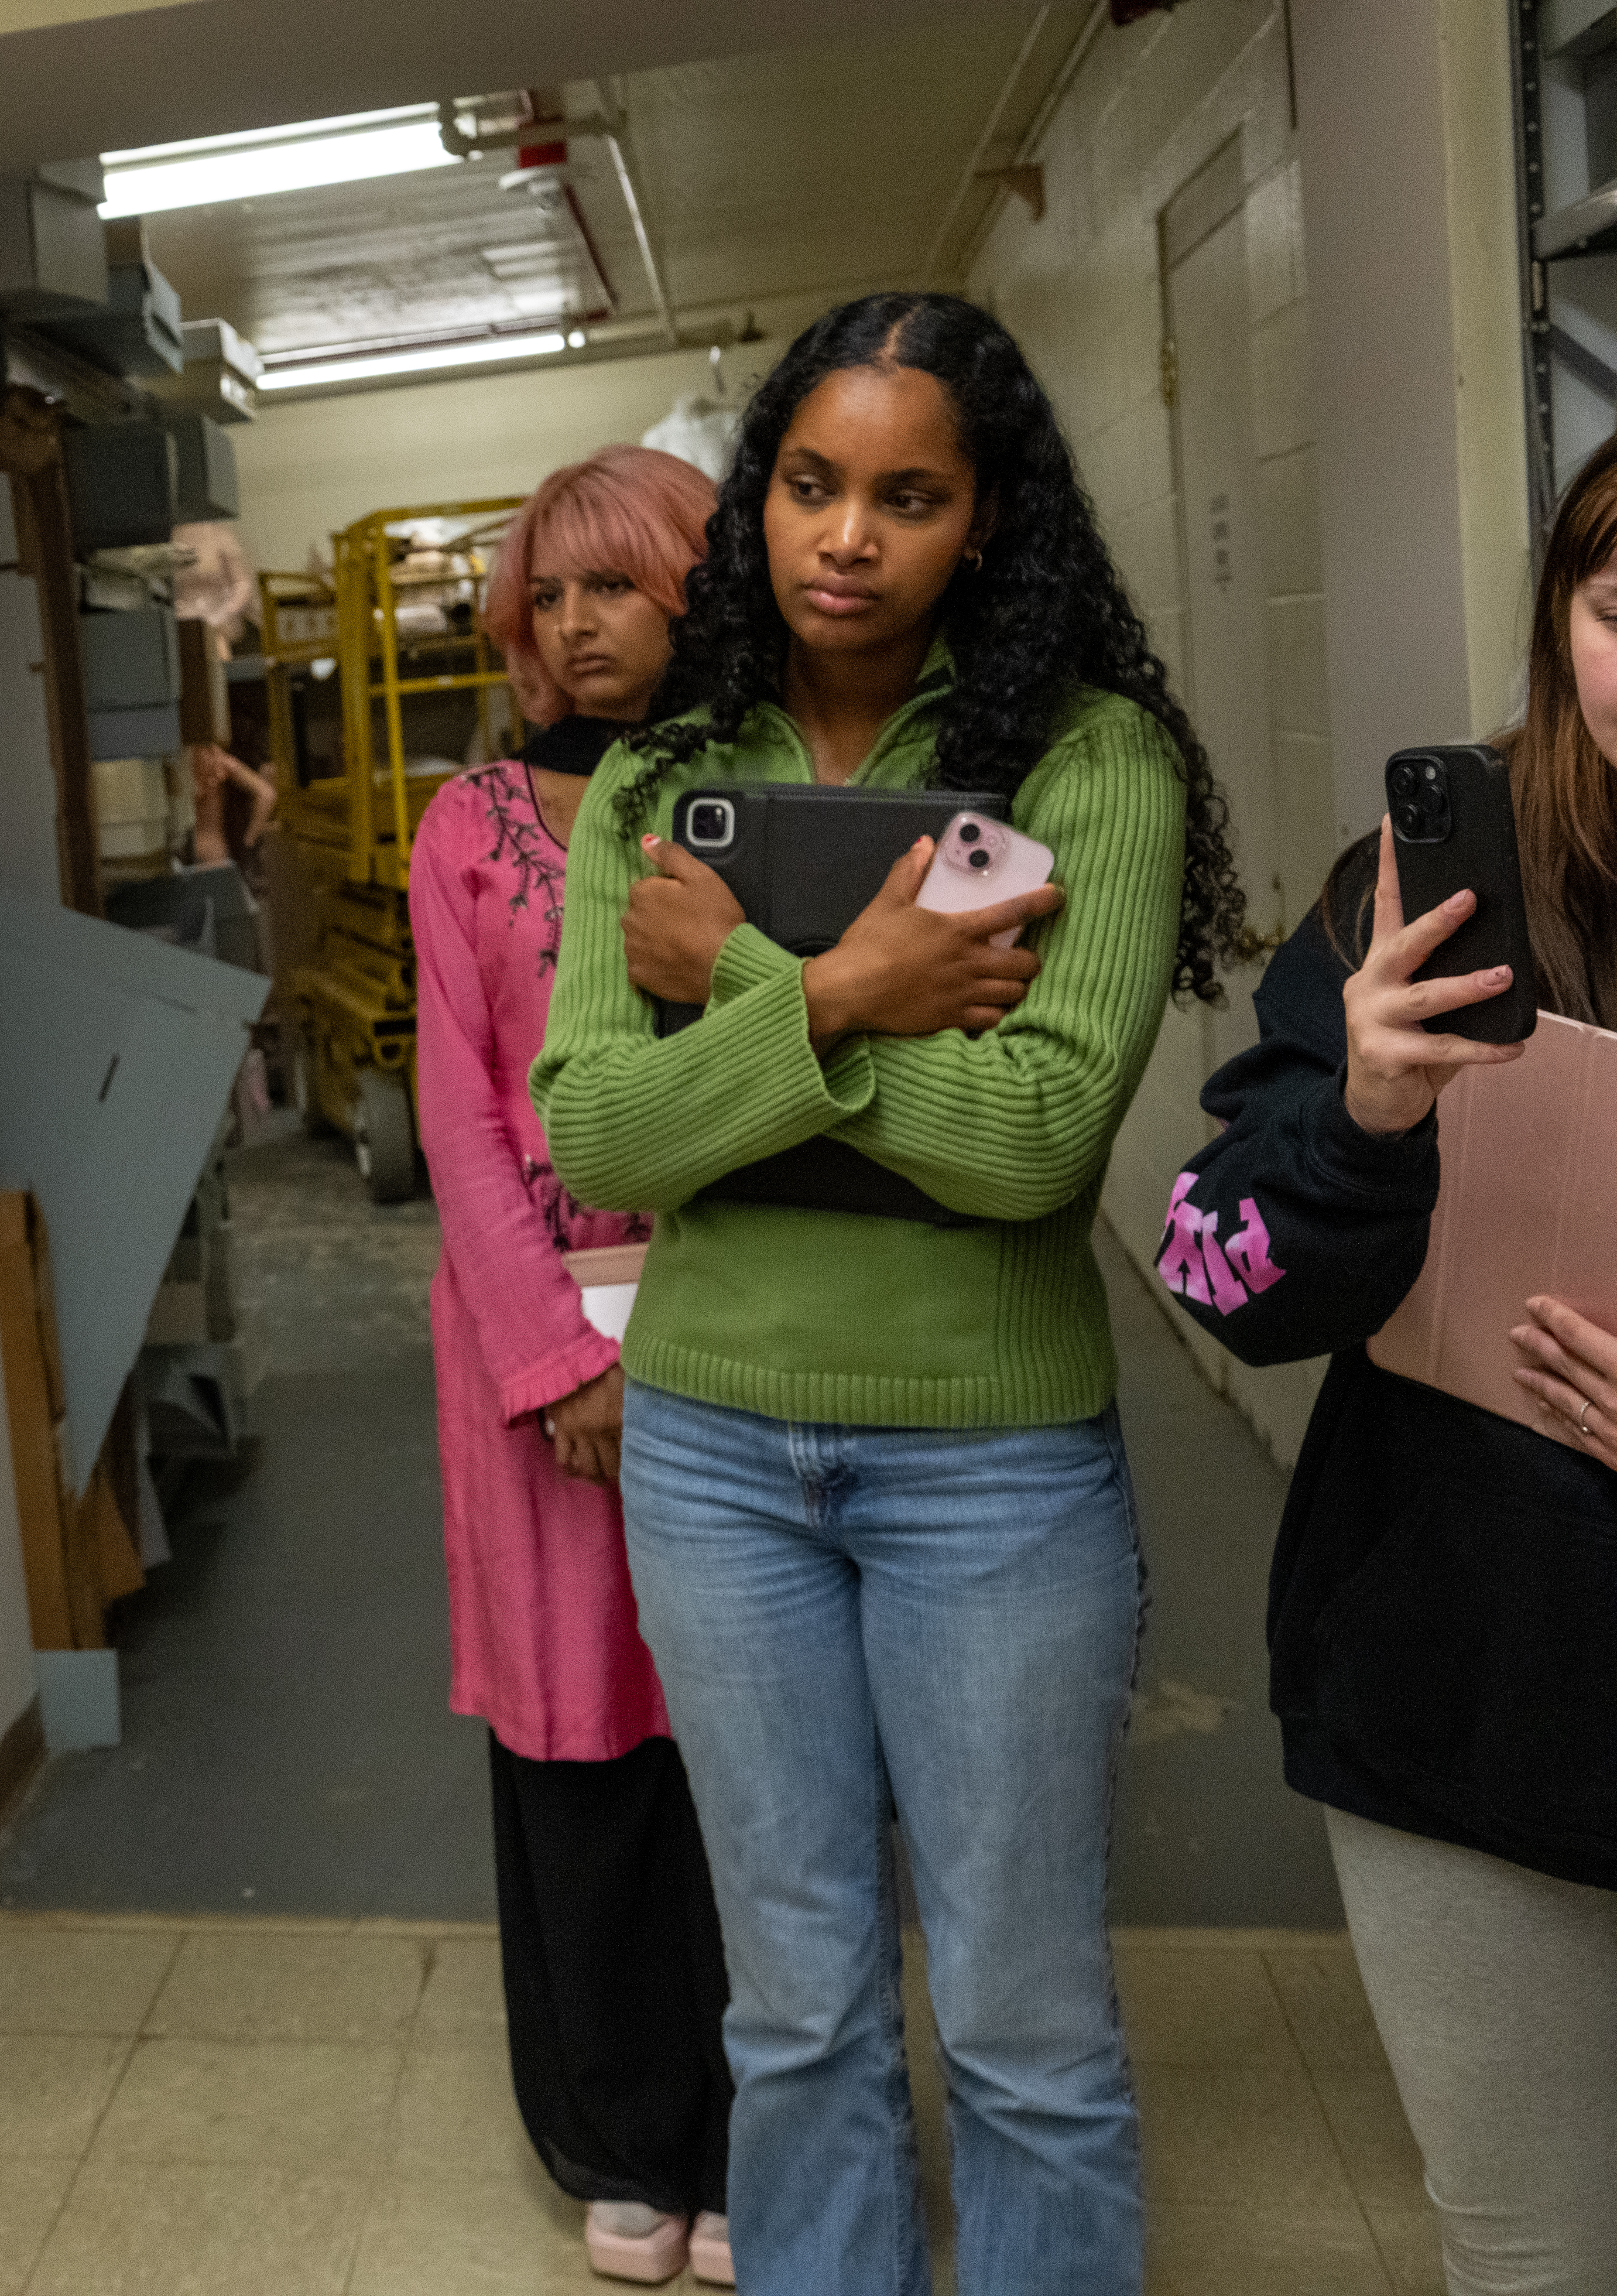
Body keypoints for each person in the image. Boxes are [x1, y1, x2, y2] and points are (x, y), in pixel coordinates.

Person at [530, 292, 1248, 2295]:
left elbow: (1028, 1148)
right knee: (796, 2009)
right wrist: (862, 992)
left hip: (991, 1469)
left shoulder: (1082, 766)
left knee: (1020, 2028)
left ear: (986, 522)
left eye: (905, 495)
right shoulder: (660, 781)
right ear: (757, 498)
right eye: (807, 483)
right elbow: (600, 1132)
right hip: (709, 1457)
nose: (842, 534)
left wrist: (751, 991)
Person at [1155, 428, 1617, 2293]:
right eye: (1613, 603)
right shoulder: (1424, 892)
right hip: (1464, 1682)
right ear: (1556, 626)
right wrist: (1355, 1110)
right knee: (1532, 2254)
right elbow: (1218, 1262)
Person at [411, 443, 732, 2285]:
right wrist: (554, 1358)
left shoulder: (757, 795)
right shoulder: (465, 826)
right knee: (583, 1744)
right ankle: (621, 2130)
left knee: (753, 1749)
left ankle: (768, 2127)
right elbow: (456, 1113)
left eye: (618, 581)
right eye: (550, 590)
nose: (578, 620)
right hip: (531, 1359)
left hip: (739, 1328)